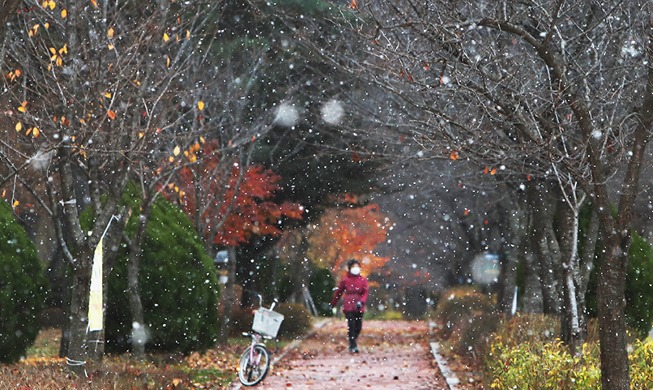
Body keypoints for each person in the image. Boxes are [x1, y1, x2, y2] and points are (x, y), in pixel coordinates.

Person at [330, 259, 369, 353]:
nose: (356, 269)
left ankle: (353, 339)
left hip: (359, 305)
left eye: (357, 266)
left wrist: (362, 302)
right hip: (348, 304)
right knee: (351, 325)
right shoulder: (345, 280)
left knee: (358, 326)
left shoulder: (363, 280)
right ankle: (352, 345)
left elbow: (365, 292)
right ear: (349, 268)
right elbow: (339, 292)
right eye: (353, 266)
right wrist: (333, 303)